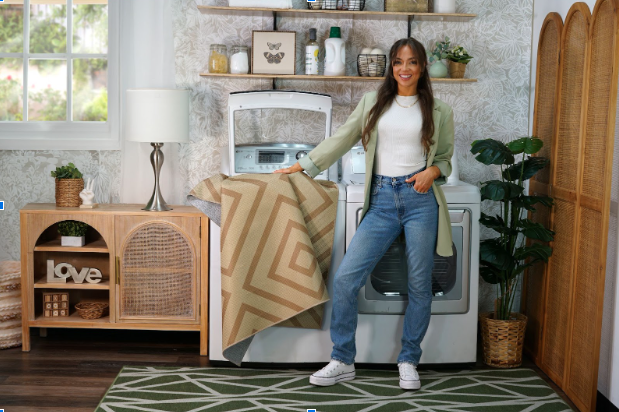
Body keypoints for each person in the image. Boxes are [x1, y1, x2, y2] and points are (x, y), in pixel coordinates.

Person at [274, 37, 454, 391]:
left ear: (421, 68)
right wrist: (303, 165)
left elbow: (444, 158)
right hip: (383, 199)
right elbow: (343, 137)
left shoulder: (440, 110)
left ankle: (409, 360)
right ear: (391, 66)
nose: (405, 68)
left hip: (420, 200)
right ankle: (342, 359)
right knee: (345, 280)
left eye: (413, 62)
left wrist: (432, 172)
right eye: (399, 62)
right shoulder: (373, 102)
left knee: (420, 285)